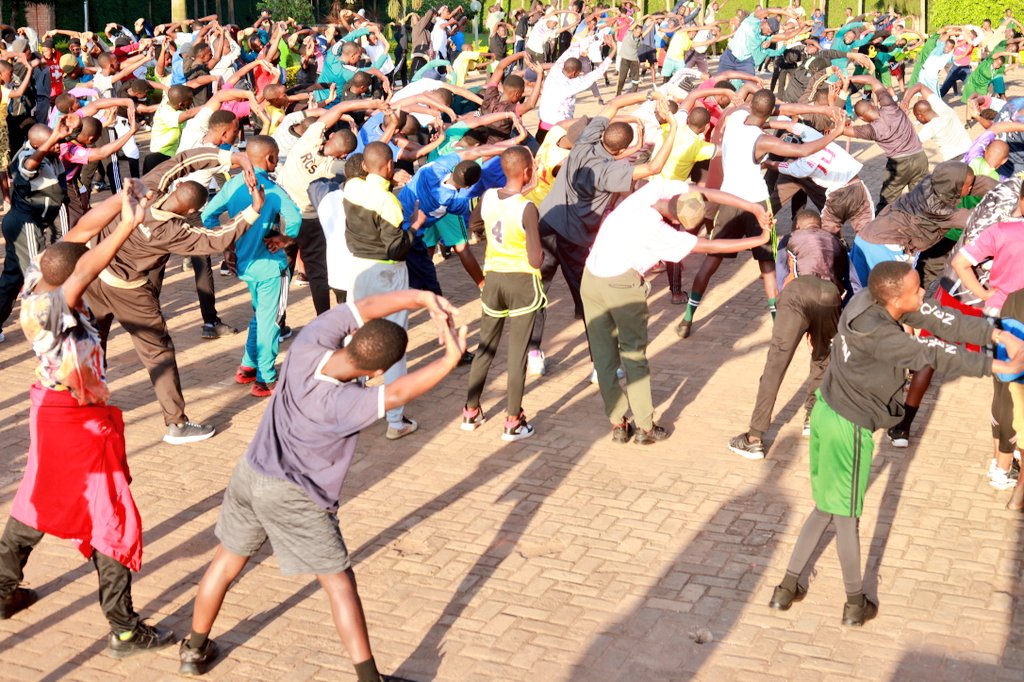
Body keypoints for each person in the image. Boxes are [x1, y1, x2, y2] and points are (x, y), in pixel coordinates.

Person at [176, 289, 468, 679]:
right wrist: (450, 358)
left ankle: (194, 650)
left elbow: (361, 308)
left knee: (226, 561)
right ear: (375, 373)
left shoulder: (310, 343)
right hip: (295, 498)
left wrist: (419, 298)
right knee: (338, 582)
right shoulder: (346, 405)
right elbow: (398, 392)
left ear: (351, 338)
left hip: (251, 473)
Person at [768, 261, 1024, 626]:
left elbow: (937, 318)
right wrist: (997, 366)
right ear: (895, 298)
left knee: (825, 506)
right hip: (849, 428)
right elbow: (934, 354)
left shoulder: (864, 300)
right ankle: (855, 603)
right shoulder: (883, 338)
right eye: (917, 290)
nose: (923, 294)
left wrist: (994, 334)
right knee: (846, 517)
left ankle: (787, 587)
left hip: (827, 410)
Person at [0, 183, 175, 656]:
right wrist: (131, 224)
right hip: (79, 423)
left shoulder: (39, 281)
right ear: (71, 277)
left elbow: (81, 230)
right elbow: (91, 262)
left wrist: (125, 198)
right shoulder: (58, 306)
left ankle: (0, 592)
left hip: (50, 409)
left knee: (37, 497)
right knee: (110, 517)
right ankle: (123, 628)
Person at [584, 179, 771, 444]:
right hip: (621, 285)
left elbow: (706, 191)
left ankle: (617, 422)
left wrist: (751, 207)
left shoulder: (648, 194)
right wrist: (760, 238)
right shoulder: (663, 234)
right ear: (679, 221)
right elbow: (711, 247)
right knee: (634, 356)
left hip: (591, 278)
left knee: (603, 356)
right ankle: (645, 428)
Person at [84, 177, 266, 445]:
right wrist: (254, 209)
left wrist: (225, 156)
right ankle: (177, 424)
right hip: (131, 291)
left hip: (96, 277)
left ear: (175, 188)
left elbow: (178, 161)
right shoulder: (172, 231)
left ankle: (85, 405)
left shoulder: (146, 193)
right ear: (192, 212)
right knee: (159, 354)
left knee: (90, 343)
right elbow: (216, 240)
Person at [677, 91, 844, 339]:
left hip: (730, 201)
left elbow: (780, 107)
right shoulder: (762, 140)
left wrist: (819, 111)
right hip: (757, 203)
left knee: (712, 260)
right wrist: (836, 132)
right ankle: (778, 322)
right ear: (770, 111)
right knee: (767, 266)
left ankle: (687, 318)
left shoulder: (735, 118)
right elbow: (803, 151)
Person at [535, 91, 679, 375]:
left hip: (546, 224)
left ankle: (533, 354)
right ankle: (599, 366)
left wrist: (650, 96)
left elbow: (613, 104)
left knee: (539, 292)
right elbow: (654, 167)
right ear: (622, 150)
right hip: (574, 239)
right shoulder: (611, 171)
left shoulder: (585, 141)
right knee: (591, 303)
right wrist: (672, 126)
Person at [729, 209, 847, 460]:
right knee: (823, 357)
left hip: (797, 295)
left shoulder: (789, 240)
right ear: (818, 225)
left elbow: (783, 276)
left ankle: (754, 438)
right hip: (830, 296)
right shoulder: (836, 242)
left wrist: (784, 314)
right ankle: (812, 419)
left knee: (776, 364)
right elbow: (846, 281)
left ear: (796, 227)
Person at [201, 136, 301, 397]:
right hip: (271, 267)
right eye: (276, 156)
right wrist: (283, 239)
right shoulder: (272, 190)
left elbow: (206, 215)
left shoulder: (233, 184)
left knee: (261, 316)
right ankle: (266, 379)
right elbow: (295, 221)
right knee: (272, 322)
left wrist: (226, 243)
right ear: (269, 158)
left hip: (246, 264)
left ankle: (248, 366)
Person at [461, 146, 545, 441]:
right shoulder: (527, 208)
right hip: (521, 282)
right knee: (517, 353)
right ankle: (513, 419)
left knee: (486, 346)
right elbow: (536, 260)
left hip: (493, 279)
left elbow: (474, 224)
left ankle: (471, 411)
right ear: (526, 173)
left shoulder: (488, 196)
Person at [278, 98, 387, 316]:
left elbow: (338, 109)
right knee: (318, 275)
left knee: (282, 271)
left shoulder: (306, 141)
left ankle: (278, 325)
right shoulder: (335, 168)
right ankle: (324, 320)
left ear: (332, 136)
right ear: (344, 154)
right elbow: (369, 165)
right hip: (309, 222)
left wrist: (370, 102)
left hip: (281, 215)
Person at [0, 117, 78, 340]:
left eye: (58, 141)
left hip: (35, 223)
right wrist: (52, 138)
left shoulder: (52, 154)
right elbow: (29, 166)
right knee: (41, 275)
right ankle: (53, 328)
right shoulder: (27, 156)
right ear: (37, 144)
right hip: (25, 224)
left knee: (13, 277)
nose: (58, 145)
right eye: (53, 143)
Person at [842, 73, 928, 211]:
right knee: (921, 199)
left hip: (899, 165)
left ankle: (878, 229)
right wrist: (848, 79)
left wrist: (839, 97)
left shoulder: (870, 129)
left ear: (862, 119)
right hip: (919, 156)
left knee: (886, 204)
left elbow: (842, 130)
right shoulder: (890, 106)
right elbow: (872, 80)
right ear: (873, 106)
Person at [902, 83, 973, 161]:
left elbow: (911, 144)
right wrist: (906, 100)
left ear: (920, 116)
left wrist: (904, 119)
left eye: (917, 118)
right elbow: (920, 86)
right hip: (971, 152)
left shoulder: (930, 127)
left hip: (953, 160)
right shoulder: (945, 110)